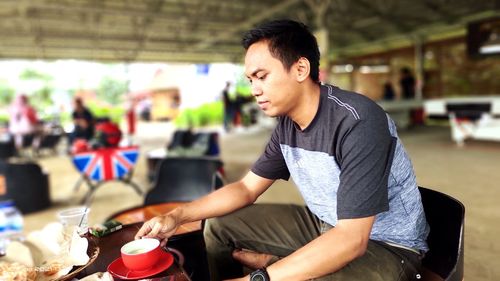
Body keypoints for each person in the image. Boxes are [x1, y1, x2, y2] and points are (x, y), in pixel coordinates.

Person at [136, 19, 429, 281]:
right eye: (250, 80)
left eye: (262, 76)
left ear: (300, 68)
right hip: (323, 223)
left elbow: (352, 240)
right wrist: (177, 216)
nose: (254, 89)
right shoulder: (287, 124)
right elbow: (246, 189)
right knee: (218, 226)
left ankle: (275, 267)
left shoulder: (358, 121)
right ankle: (278, 266)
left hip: (388, 247)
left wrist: (258, 279)